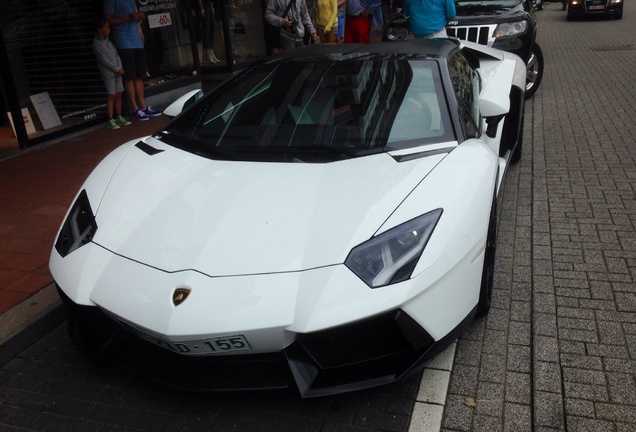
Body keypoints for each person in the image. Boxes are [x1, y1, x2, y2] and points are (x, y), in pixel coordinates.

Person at [103, 0, 162, 121]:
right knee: (129, 76)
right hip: (123, 41)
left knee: (140, 75)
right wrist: (128, 18)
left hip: (137, 40)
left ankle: (143, 106)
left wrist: (138, 16)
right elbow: (108, 20)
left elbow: (135, 16)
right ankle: (135, 108)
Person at [92, 17, 132, 130]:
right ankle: (110, 119)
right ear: (99, 29)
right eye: (106, 27)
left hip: (118, 72)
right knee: (111, 95)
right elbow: (103, 60)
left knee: (119, 94)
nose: (108, 29)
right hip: (109, 74)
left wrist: (120, 68)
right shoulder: (96, 43)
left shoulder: (109, 41)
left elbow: (116, 55)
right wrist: (115, 69)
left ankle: (119, 116)